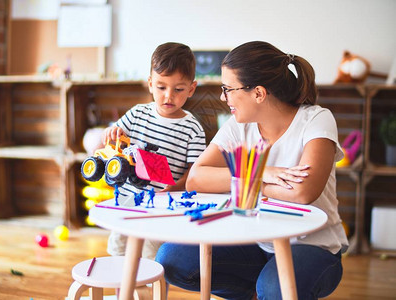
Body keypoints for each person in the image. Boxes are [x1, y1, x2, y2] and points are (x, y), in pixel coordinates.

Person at [156, 41, 349, 299]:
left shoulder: (316, 119)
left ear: (258, 93)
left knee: (274, 288)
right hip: (257, 242)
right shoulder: (239, 126)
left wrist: (249, 178)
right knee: (173, 259)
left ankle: (266, 289)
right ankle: (251, 292)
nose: (223, 97)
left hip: (313, 246)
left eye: (228, 89)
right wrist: (260, 171)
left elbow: (303, 193)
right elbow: (197, 178)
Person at [104, 42, 206, 260]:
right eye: (161, 87)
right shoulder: (137, 113)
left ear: (191, 88)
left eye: (178, 89)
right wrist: (112, 133)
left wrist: (174, 188)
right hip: (127, 203)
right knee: (119, 257)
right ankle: (124, 294)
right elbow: (115, 134)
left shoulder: (193, 128)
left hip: (161, 208)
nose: (169, 96)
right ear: (150, 84)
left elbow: (195, 172)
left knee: (154, 262)